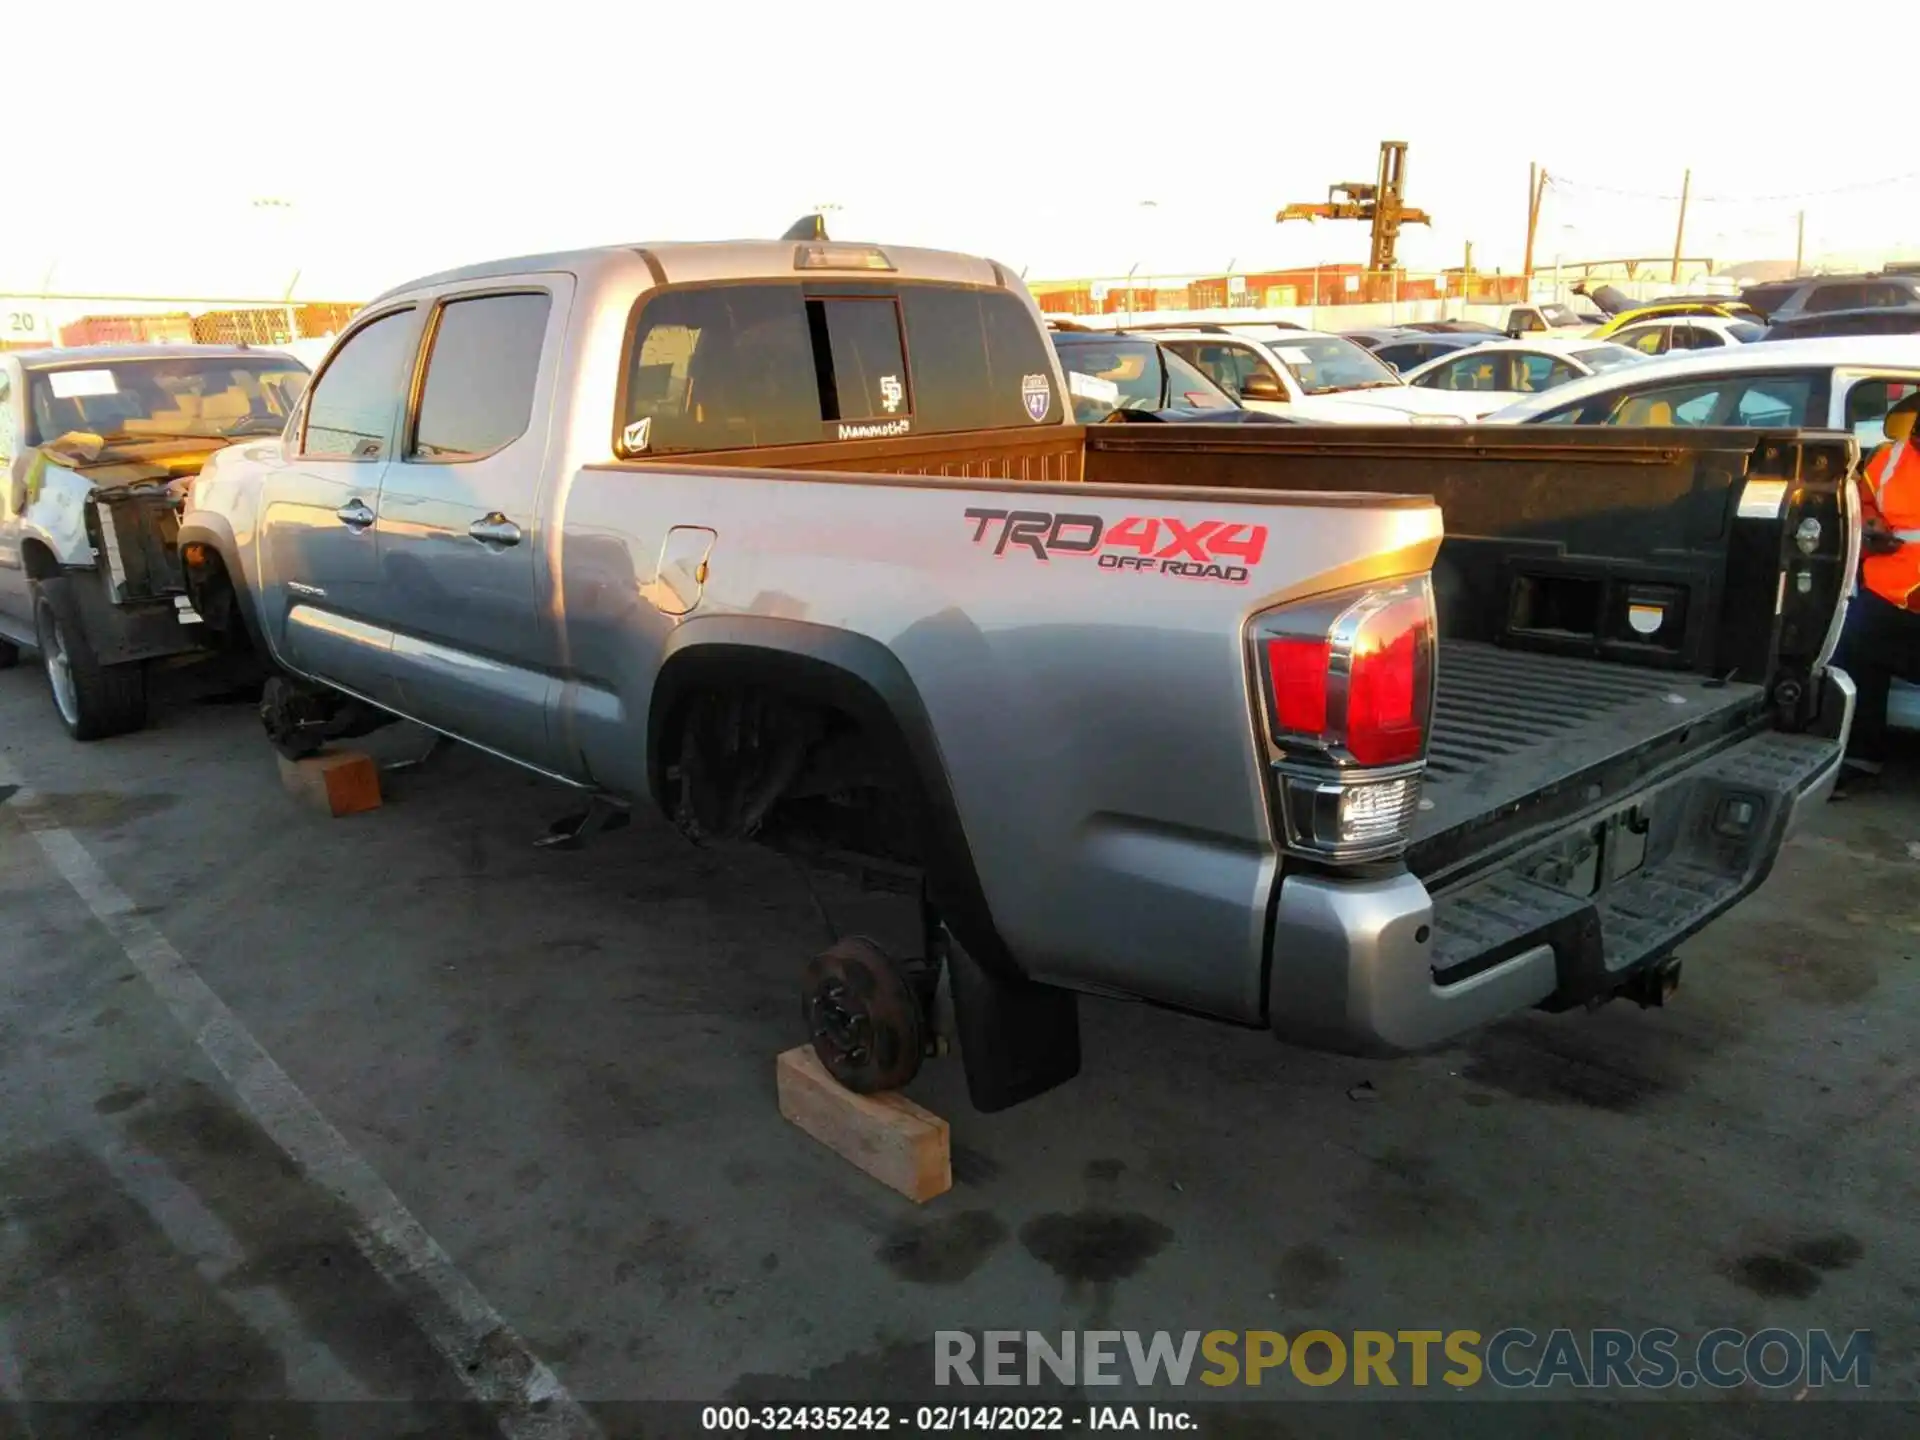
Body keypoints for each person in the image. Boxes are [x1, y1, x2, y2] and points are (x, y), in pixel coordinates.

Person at [1833, 389, 1920, 785]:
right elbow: (1863, 498)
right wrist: (1868, 524)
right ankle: (1862, 758)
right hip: (1888, 597)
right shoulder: (1891, 458)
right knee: (1855, 645)